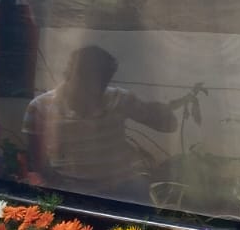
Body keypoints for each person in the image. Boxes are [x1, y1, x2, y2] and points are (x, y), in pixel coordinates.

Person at [22, 45, 177, 193]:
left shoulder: (120, 99)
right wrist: (57, 185)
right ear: (69, 74)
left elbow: (169, 125)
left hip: (123, 184)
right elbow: (38, 161)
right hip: (70, 186)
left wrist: (160, 110)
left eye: (100, 82)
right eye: (84, 80)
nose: (92, 89)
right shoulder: (40, 107)